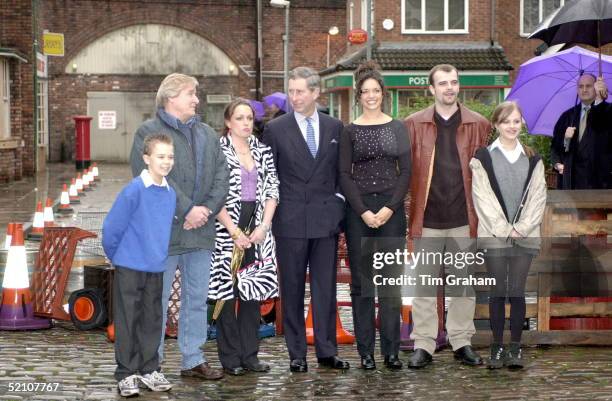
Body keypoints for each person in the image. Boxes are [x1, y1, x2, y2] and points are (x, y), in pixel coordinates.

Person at [130, 73, 228, 380]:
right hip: (162, 232)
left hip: (200, 232)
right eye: (191, 94)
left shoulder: (208, 134)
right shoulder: (147, 132)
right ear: (172, 97)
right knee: (156, 301)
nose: (196, 100)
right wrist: (187, 209)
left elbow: (222, 176)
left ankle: (193, 360)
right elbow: (150, 177)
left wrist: (205, 211)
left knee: (197, 298)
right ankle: (151, 361)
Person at [262, 66, 349, 372]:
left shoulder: (335, 127)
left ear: (315, 93)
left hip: (325, 221)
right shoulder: (275, 129)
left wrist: (338, 204)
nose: (294, 97)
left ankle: (327, 351)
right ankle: (296, 353)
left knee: (326, 289)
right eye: (291, 91)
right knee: (293, 288)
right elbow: (268, 177)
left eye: (300, 91)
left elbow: (342, 173)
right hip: (290, 221)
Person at [404, 64, 490, 369]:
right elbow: (405, 175)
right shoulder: (413, 125)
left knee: (463, 286)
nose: (449, 88)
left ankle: (461, 341)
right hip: (426, 219)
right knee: (424, 286)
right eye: (442, 84)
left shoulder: (479, 125)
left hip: (464, 218)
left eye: (453, 82)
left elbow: (488, 173)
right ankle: (424, 344)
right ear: (431, 89)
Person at [339, 61, 411, 370]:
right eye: (365, 91)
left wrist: (388, 208)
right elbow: (344, 174)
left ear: (383, 94)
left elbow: (406, 173)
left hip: (391, 212)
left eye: (376, 91)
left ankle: (391, 351)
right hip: (359, 214)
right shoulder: (349, 130)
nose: (371, 96)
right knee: (362, 284)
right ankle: (366, 351)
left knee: (391, 284)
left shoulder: (397, 127)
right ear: (359, 95)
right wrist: (364, 211)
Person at [470, 101, 547, 369]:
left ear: (521, 124)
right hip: (494, 236)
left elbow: (539, 197)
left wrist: (521, 229)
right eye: (506, 121)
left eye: (516, 121)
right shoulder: (483, 158)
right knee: (498, 292)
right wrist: (505, 231)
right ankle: (496, 347)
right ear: (496, 125)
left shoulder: (533, 158)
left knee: (516, 291)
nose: (512, 126)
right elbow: (482, 199)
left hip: (525, 237)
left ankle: (515, 348)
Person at [209, 98, 280, 376]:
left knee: (252, 294)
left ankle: (250, 355)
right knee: (226, 295)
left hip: (258, 232)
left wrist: (264, 226)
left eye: (249, 118)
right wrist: (233, 231)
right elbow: (213, 195)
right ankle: (230, 358)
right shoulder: (218, 152)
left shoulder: (263, 151)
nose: (246, 123)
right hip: (227, 231)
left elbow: (273, 189)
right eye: (239, 118)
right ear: (228, 122)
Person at [103, 133, 176, 397]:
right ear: (146, 158)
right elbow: (112, 228)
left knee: (152, 320)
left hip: (155, 267)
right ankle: (126, 372)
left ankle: (149, 369)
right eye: (160, 156)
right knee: (128, 319)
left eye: (170, 157)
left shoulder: (169, 193)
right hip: (130, 267)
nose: (166, 162)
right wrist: (118, 257)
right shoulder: (134, 190)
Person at [551, 74, 611, 189]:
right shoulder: (567, 116)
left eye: (588, 86)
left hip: (599, 184)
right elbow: (555, 146)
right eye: (580, 86)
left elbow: (603, 132)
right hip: (571, 184)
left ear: (596, 87)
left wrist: (599, 101)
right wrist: (558, 163)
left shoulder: (608, 112)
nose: (584, 89)